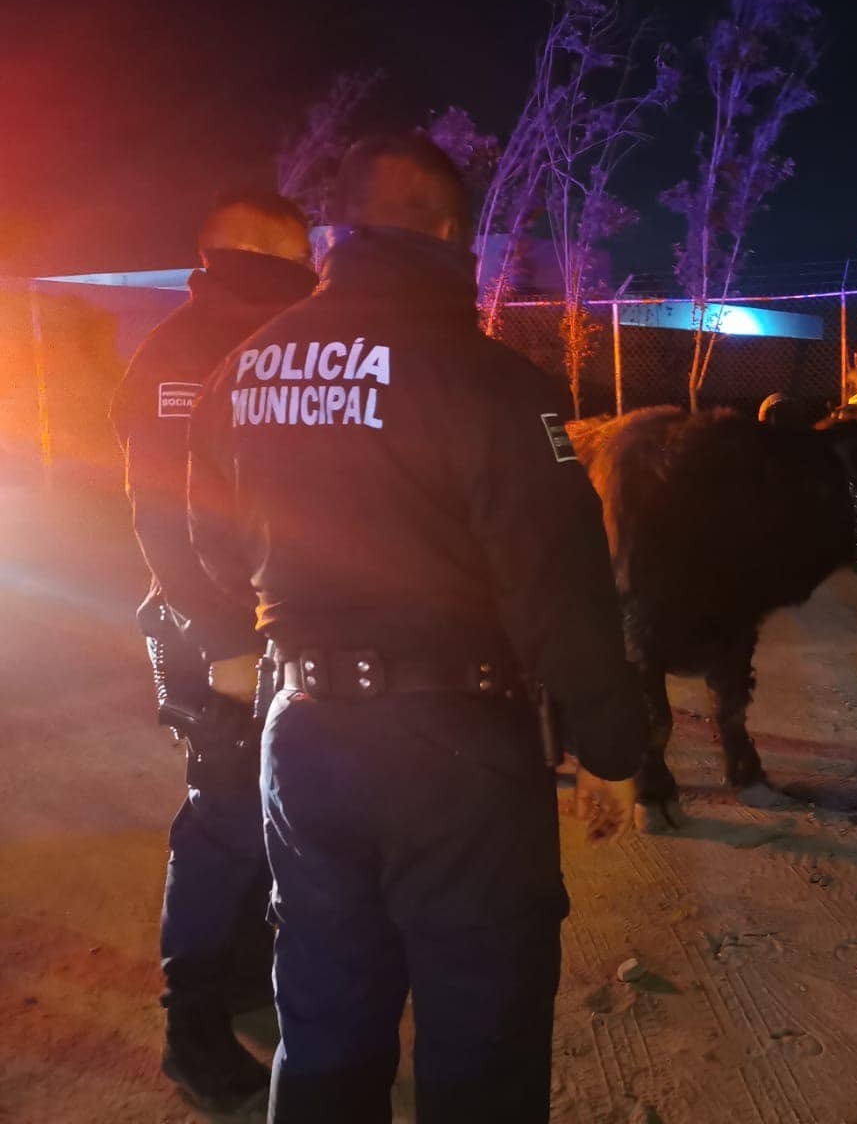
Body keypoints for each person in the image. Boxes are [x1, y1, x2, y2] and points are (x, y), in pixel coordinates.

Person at [185, 134, 647, 1123]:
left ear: (340, 233)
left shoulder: (243, 372)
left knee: (323, 1024)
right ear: (449, 235)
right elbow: (558, 586)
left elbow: (214, 557)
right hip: (455, 753)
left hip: (299, 740)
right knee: (480, 1033)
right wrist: (611, 749)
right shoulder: (493, 385)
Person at [109, 190, 316, 1110]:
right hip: (216, 638)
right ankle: (189, 1026)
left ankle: (241, 977)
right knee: (227, 818)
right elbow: (161, 515)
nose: (312, 269)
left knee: (274, 818)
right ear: (248, 252)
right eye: (295, 254)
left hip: (278, 626)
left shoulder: (275, 340)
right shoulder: (186, 356)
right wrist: (226, 642)